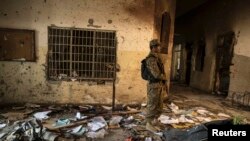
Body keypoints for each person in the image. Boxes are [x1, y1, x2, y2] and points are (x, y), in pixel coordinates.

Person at [145, 39, 167, 132]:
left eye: (159, 46)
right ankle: (148, 124)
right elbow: (156, 74)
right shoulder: (151, 59)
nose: (159, 48)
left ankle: (154, 120)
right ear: (153, 47)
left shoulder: (157, 57)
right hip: (154, 86)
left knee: (159, 105)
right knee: (152, 105)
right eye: (158, 46)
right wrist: (164, 77)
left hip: (159, 85)